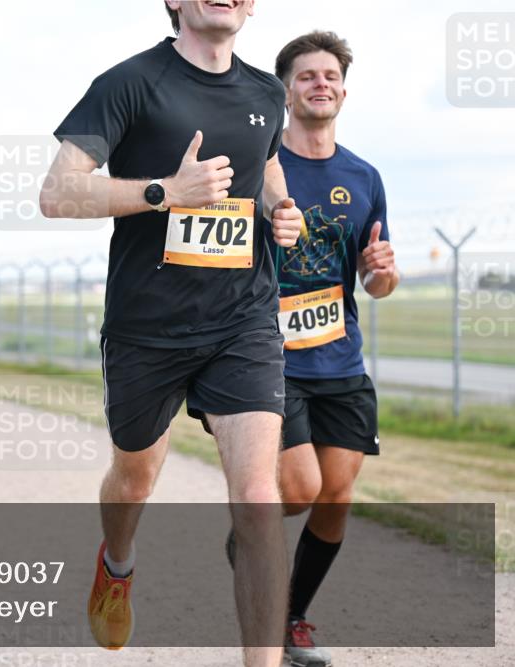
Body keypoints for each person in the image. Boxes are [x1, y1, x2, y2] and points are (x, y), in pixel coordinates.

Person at [40, 2, 304, 664]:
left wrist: (282, 208)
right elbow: (57, 193)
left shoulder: (267, 92)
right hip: (147, 326)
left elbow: (265, 164)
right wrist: (166, 191)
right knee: (134, 480)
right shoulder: (129, 83)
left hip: (242, 317)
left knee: (257, 495)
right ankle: (117, 561)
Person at [265, 31, 397, 667]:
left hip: (340, 358)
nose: (320, 83)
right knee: (298, 489)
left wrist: (381, 269)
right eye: (306, 75)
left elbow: (378, 283)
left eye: (330, 75)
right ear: (286, 91)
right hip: (270, 359)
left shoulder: (364, 176)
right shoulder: (265, 167)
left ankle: (291, 617)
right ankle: (251, 546)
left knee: (336, 496)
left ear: (343, 88)